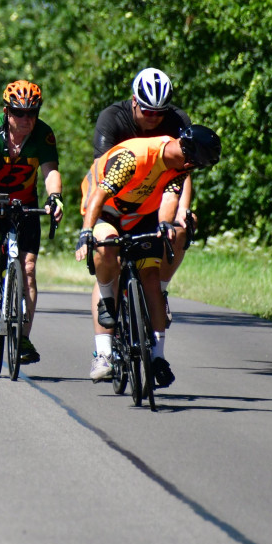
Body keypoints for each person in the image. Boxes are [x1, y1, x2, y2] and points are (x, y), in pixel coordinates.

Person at [75, 125, 222, 388]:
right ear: (189, 154)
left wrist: (165, 225)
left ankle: (157, 358)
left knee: (151, 279)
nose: (192, 168)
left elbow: (168, 199)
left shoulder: (180, 166)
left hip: (140, 215)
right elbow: (99, 195)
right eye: (195, 163)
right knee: (107, 246)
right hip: (106, 210)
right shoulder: (134, 158)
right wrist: (86, 231)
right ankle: (106, 317)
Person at [86, 67, 193, 379]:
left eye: (159, 113)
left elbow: (183, 171)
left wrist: (182, 210)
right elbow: (101, 174)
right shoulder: (113, 118)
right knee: (108, 256)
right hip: (114, 202)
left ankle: (160, 288)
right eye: (146, 111)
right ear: (134, 102)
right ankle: (103, 353)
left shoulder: (177, 121)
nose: (152, 118)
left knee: (181, 229)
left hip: (155, 200)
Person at [0, 80, 64, 364]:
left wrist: (54, 196)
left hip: (25, 202)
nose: (26, 119)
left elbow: (50, 171)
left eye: (32, 113)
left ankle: (23, 336)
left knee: (28, 269)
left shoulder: (43, 135)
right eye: (19, 113)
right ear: (7, 112)